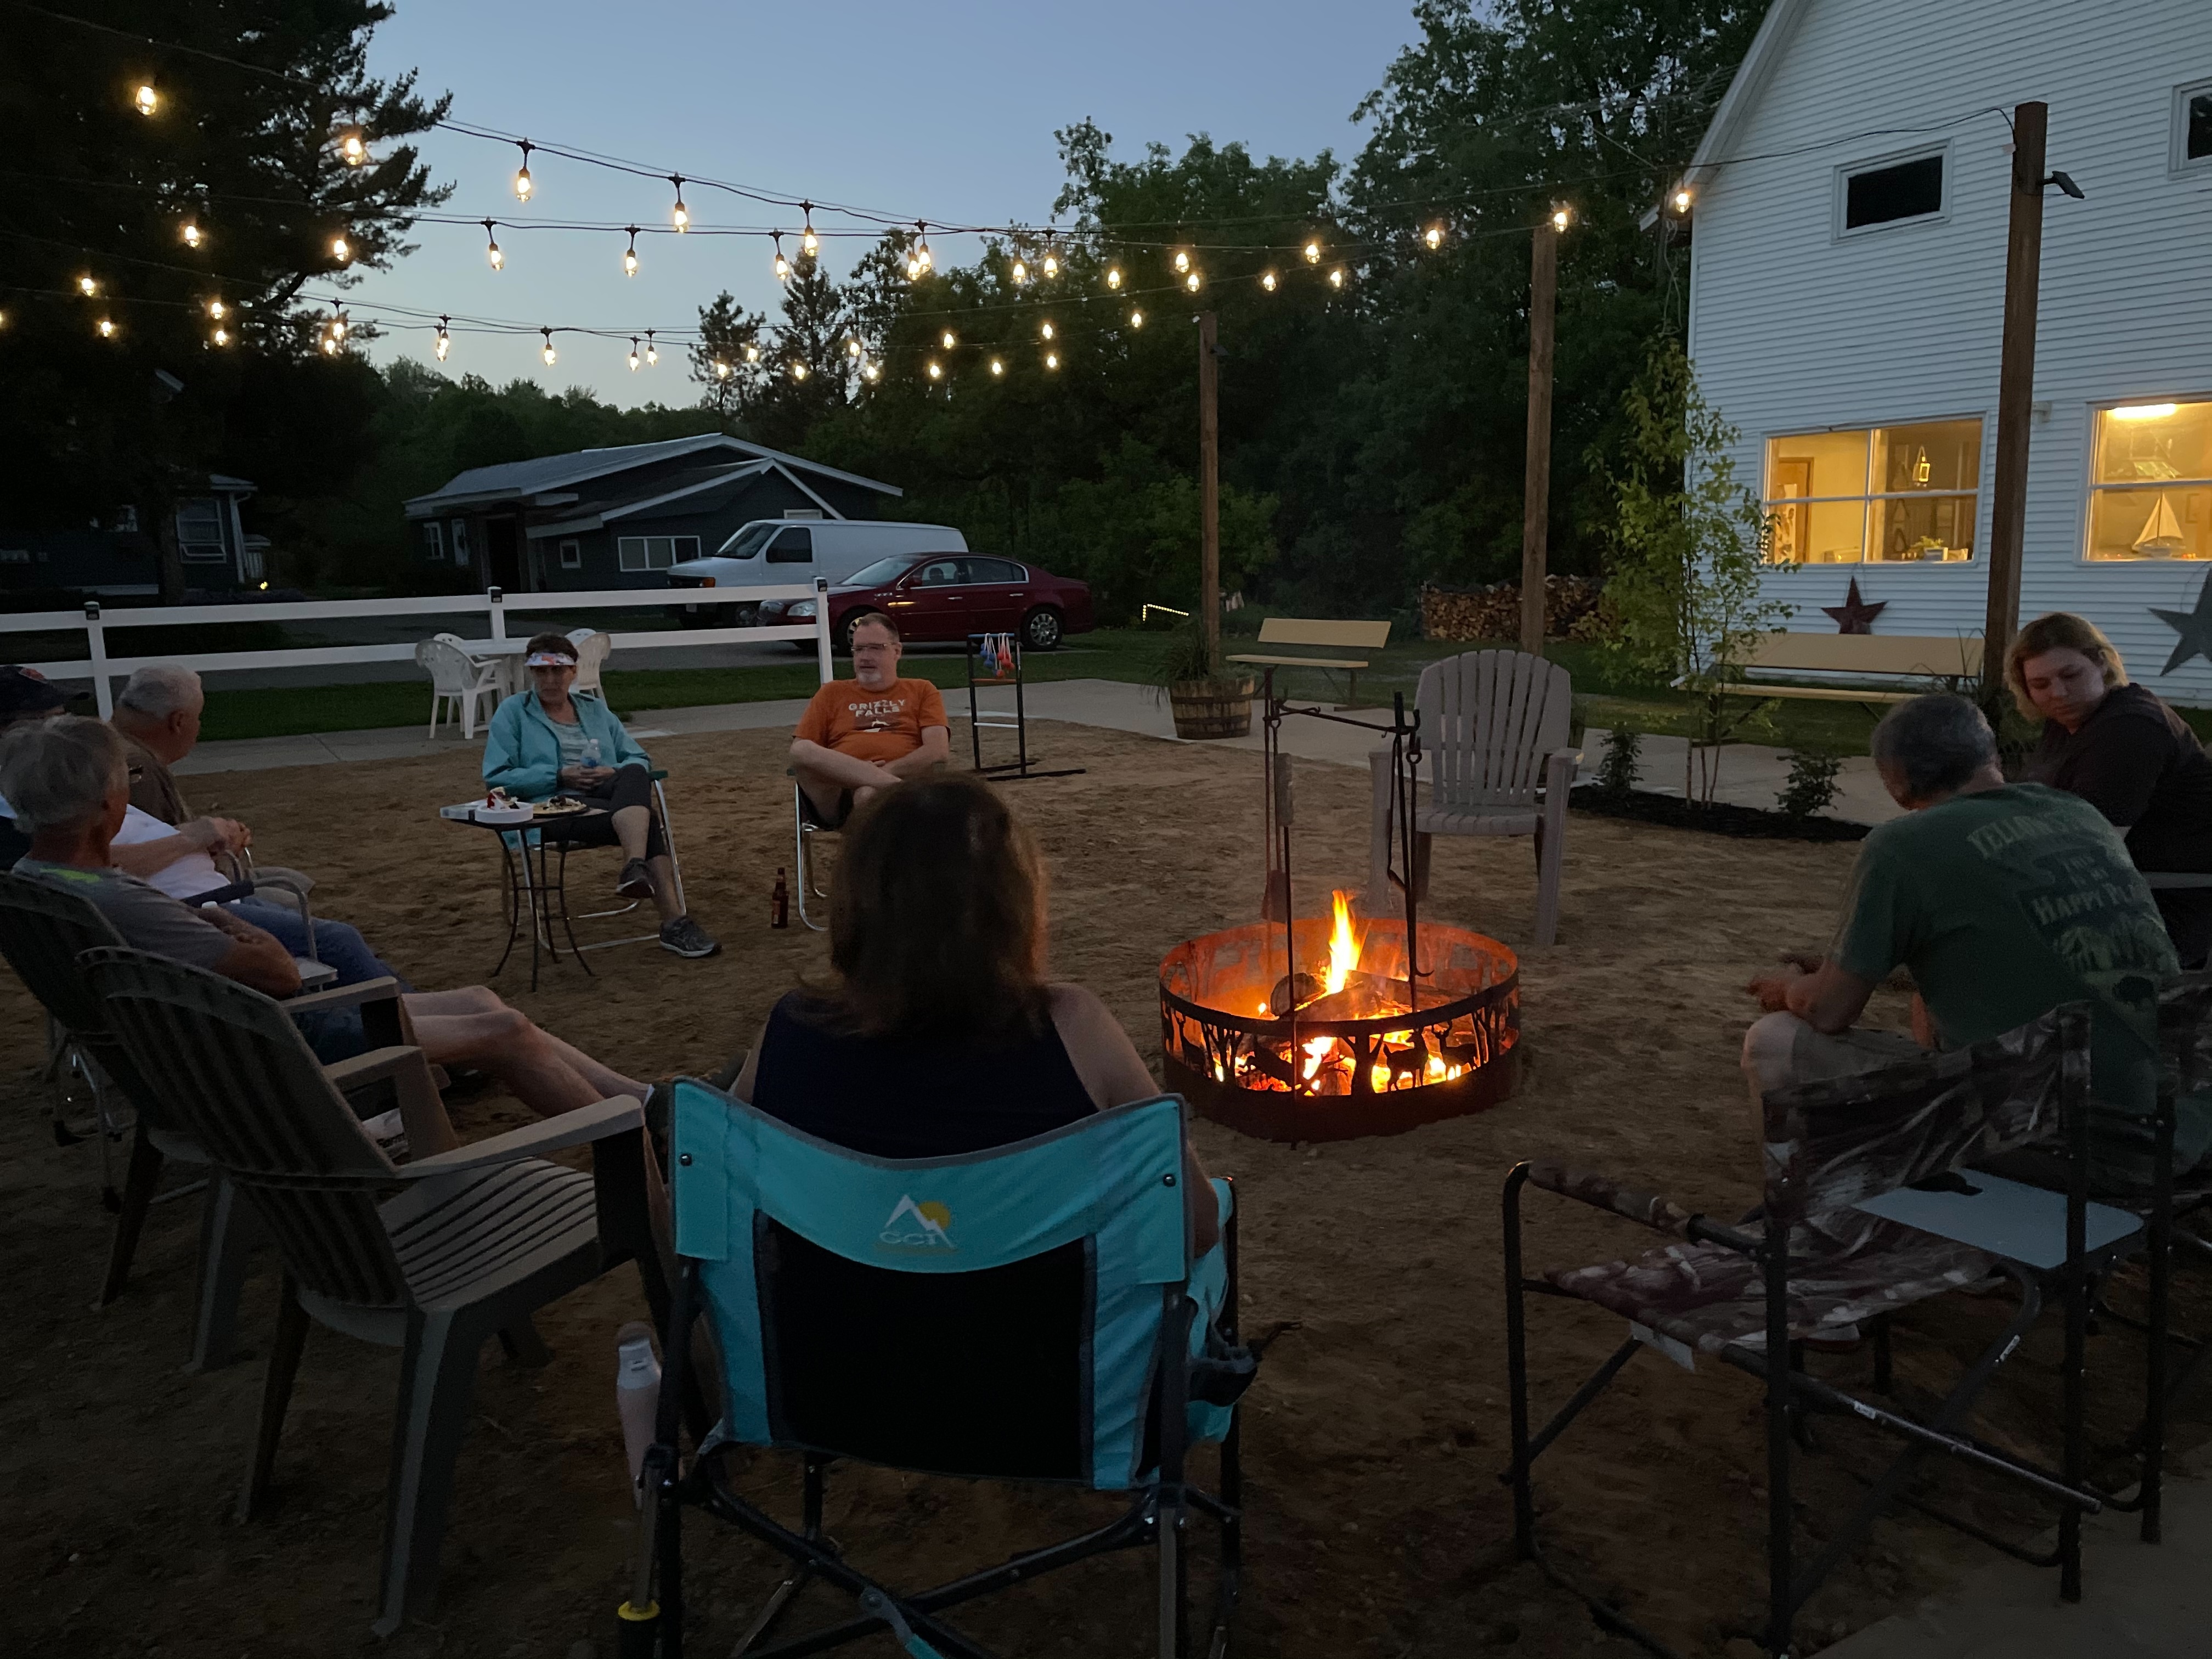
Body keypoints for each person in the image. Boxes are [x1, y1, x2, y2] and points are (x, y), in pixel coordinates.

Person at [2, 715, 649, 1117]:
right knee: (502, 1028)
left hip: (197, 1051)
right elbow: (278, 975)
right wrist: (242, 930)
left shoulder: (36, 885)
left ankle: (645, 1101)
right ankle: (629, 1132)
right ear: (107, 802)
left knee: (481, 998)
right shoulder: (118, 898)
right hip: (270, 1049)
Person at [730, 772, 1218, 1251]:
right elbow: (1196, 1227)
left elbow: (722, 1208)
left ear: (854, 900)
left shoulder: (790, 1031)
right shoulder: (1074, 1028)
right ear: (1012, 903)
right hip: (1048, 1328)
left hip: (829, 1329)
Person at [1742, 693, 2203, 1187]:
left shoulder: (1903, 846)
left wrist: (1789, 987)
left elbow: (1829, 1011)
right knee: (1931, 993)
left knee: (1774, 1042)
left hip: (2075, 1143)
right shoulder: (2078, 814)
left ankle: (1808, 1201)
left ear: (1895, 783)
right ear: (1993, 758)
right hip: (2182, 1126)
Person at [95, 662, 405, 987]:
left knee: (314, 911)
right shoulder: (134, 770)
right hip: (191, 912)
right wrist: (198, 840)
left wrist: (210, 837)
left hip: (187, 902)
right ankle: (401, 1012)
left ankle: (400, 998)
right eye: (199, 718)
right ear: (179, 722)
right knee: (335, 938)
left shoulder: (108, 750)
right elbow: (120, 863)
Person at [482, 634, 719, 959]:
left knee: (634, 773)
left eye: (559, 671)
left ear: (573, 672)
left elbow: (638, 758)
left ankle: (635, 867)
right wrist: (558, 774)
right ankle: (674, 921)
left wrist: (613, 771)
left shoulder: (594, 710)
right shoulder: (513, 712)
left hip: (607, 798)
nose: (550, 679)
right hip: (549, 808)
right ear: (532, 674)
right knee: (645, 822)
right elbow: (496, 776)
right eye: (541, 672)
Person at [2008, 612, 2212, 967]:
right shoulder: (2069, 720)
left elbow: (2090, 849)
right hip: (2103, 891)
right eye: (2040, 685)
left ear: (2101, 663)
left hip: (2157, 904)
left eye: (2071, 675)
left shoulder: (2131, 729)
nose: (2058, 692)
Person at [788, 612, 950, 827]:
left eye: (875, 648)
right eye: (859, 649)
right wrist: (860, 772)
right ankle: (896, 789)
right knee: (802, 749)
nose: (865, 657)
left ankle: (870, 852)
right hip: (838, 795)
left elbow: (937, 751)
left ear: (897, 651)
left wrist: (883, 773)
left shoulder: (921, 690)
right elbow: (802, 753)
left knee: (868, 794)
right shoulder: (832, 693)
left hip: (900, 791)